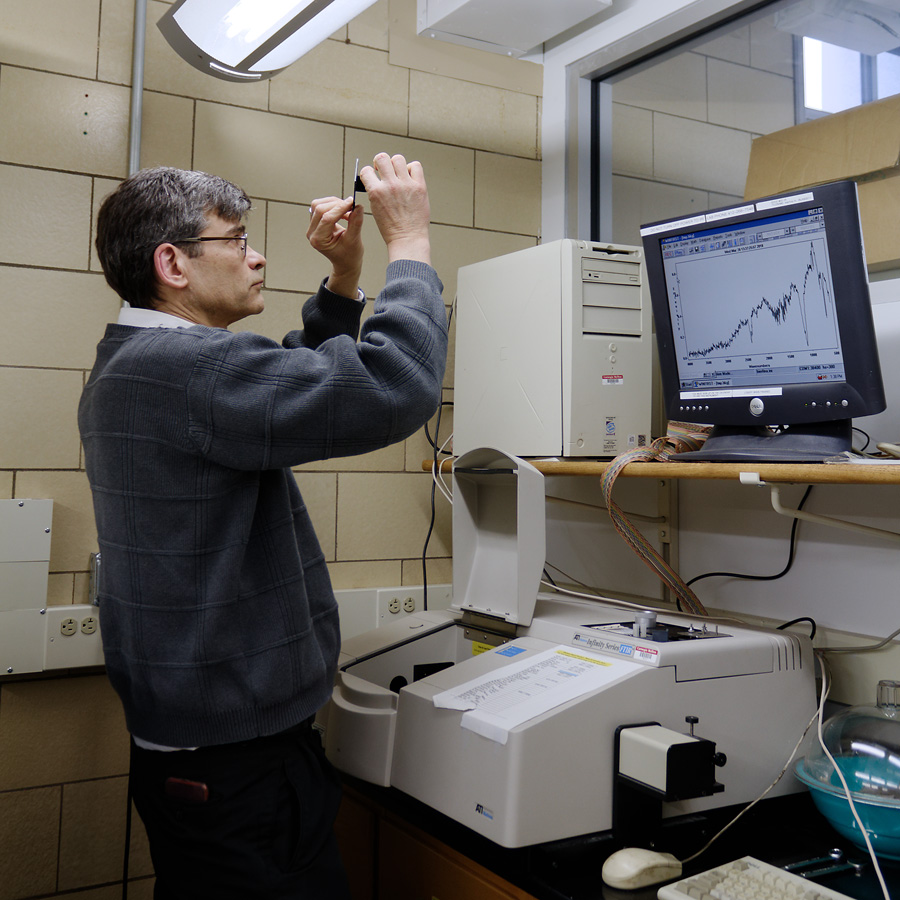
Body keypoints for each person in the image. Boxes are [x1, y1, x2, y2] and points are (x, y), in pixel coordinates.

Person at [78, 154, 448, 899]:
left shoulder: (137, 361)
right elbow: (390, 389)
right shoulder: (185, 369)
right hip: (236, 761)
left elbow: (278, 393)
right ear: (172, 263)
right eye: (236, 240)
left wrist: (343, 282)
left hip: (201, 744)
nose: (256, 255)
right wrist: (408, 243)